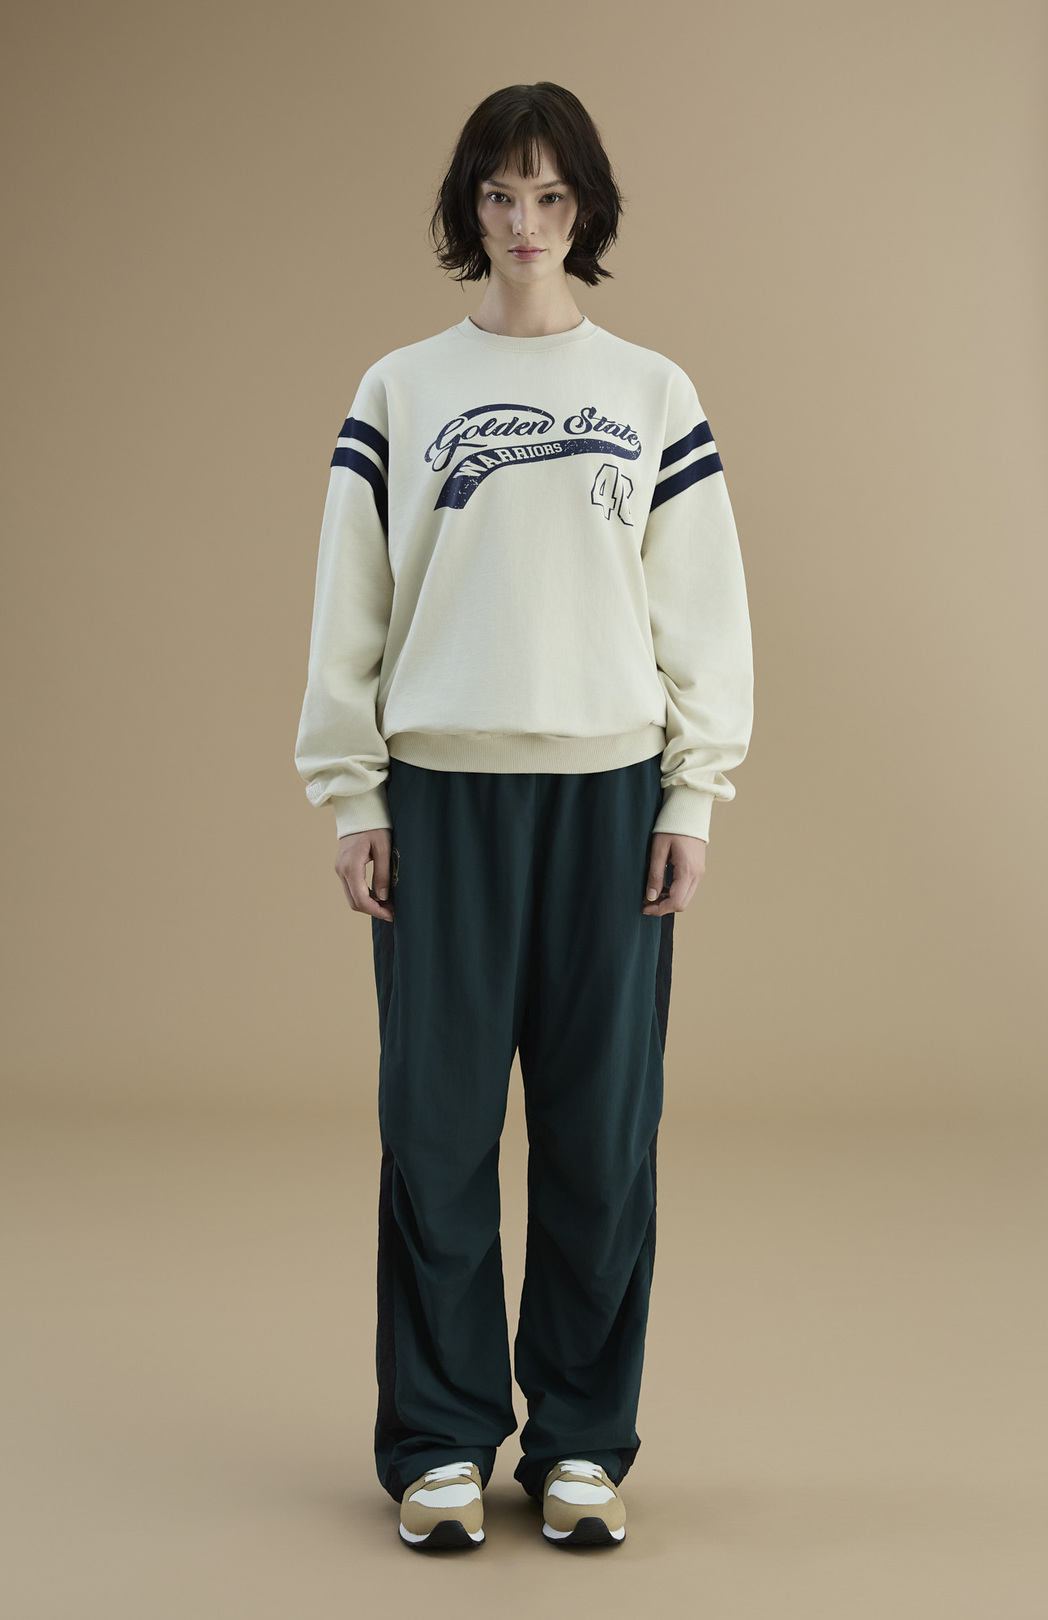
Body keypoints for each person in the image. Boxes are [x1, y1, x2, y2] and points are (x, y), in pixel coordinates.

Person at [294, 81, 754, 1551]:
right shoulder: (401, 390)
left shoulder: (653, 393)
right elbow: (351, 608)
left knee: (601, 1138)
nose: (525, 223)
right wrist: (353, 793)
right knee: (434, 1132)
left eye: (551, 196)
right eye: (500, 194)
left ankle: (578, 1447)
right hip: (441, 804)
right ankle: (439, 1441)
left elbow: (702, 614)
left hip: (611, 803)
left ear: (586, 210)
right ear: (468, 209)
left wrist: (693, 792)